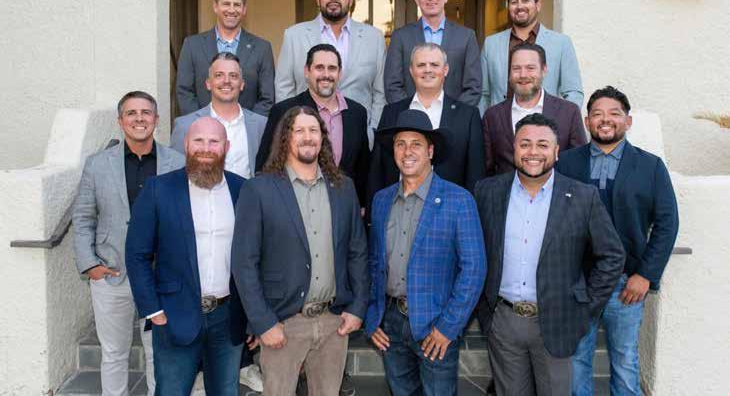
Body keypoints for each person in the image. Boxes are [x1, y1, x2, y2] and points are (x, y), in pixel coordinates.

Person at [475, 113, 625, 396]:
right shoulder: (487, 192)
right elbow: (474, 252)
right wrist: (486, 311)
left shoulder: (583, 196)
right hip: (502, 321)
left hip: (558, 321)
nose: (533, 152)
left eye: (542, 145)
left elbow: (612, 256)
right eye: (525, 144)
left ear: (556, 152)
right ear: (513, 149)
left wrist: (584, 309)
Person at [232, 106, 369, 396]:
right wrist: (263, 322)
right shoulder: (259, 189)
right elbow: (244, 262)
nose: (308, 137)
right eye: (299, 130)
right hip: (283, 323)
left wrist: (357, 308)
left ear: (322, 137)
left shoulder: (343, 187)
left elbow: (357, 251)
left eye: (313, 130)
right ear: (286, 138)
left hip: (333, 322)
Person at [555, 86, 679, 396]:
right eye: (597, 114)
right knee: (575, 362)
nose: (605, 119)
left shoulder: (650, 167)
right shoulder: (566, 163)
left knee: (624, 363)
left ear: (628, 121)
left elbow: (667, 224)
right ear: (587, 122)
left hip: (627, 285)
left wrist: (645, 276)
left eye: (614, 113)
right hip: (577, 283)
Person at [126, 118, 256, 396]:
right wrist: (154, 311)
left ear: (226, 147)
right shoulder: (158, 189)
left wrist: (253, 316)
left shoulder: (243, 189)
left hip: (228, 317)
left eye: (214, 141)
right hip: (174, 316)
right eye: (198, 140)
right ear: (186, 145)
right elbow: (137, 255)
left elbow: (255, 256)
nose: (205, 148)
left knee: (226, 391)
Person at [366, 109, 486, 396]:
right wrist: (372, 317)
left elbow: (474, 270)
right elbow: (372, 263)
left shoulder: (459, 200)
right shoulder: (381, 200)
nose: (407, 151)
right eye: (400, 144)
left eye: (416, 144)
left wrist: (448, 327)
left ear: (430, 151)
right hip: (390, 324)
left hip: (435, 324)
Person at [73, 91, 184, 396]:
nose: (139, 118)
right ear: (121, 121)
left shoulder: (178, 162)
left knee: (158, 353)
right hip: (112, 274)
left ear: (156, 120)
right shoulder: (97, 164)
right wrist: (90, 265)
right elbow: (82, 218)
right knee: (113, 353)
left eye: (146, 112)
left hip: (161, 277)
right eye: (131, 113)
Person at [275, 0, 386, 142]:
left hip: (359, 139)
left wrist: (372, 132)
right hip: (306, 138)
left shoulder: (374, 38)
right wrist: (291, 130)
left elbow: (380, 93)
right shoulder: (294, 35)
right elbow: (284, 87)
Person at [369, 42, 484, 205]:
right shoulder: (391, 112)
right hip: (397, 207)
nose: (428, 70)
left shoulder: (468, 116)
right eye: (421, 65)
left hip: (449, 210)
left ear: (445, 70)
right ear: (411, 71)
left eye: (434, 65)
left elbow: (475, 174)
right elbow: (377, 170)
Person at [257, 44, 369, 206]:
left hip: (343, 206)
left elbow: (363, 166)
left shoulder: (357, 113)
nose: (326, 75)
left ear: (340, 73)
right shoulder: (283, 111)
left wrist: (361, 205)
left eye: (332, 68)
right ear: (307, 71)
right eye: (319, 68)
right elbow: (266, 165)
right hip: (293, 205)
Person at [483, 43, 586, 176]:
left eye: (530, 68)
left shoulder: (569, 113)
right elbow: (486, 168)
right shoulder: (492, 116)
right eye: (516, 68)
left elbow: (579, 165)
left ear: (544, 70)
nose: (523, 75)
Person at [176, 0, 275, 116]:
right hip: (203, 126)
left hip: (246, 127)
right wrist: (204, 123)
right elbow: (184, 92)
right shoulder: (192, 45)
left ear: (244, 9)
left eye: (237, 5)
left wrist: (247, 124)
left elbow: (267, 98)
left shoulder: (262, 48)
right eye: (226, 4)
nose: (231, 10)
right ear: (215, 6)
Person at [480, 0, 583, 112]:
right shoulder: (491, 44)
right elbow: (483, 94)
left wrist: (561, 120)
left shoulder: (561, 43)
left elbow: (573, 92)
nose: (519, 6)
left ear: (538, 5)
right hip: (501, 122)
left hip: (545, 121)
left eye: (525, 0)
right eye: (514, 2)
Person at [384, 0, 481, 107]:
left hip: (453, 117)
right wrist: (413, 112)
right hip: (411, 117)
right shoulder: (400, 37)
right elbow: (392, 86)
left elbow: (473, 87)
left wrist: (453, 114)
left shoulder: (466, 36)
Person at [172, 52, 266, 179]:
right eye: (219, 75)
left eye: (233, 76)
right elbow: (175, 175)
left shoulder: (262, 125)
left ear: (242, 84)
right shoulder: (185, 125)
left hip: (248, 191)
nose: (226, 81)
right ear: (208, 83)